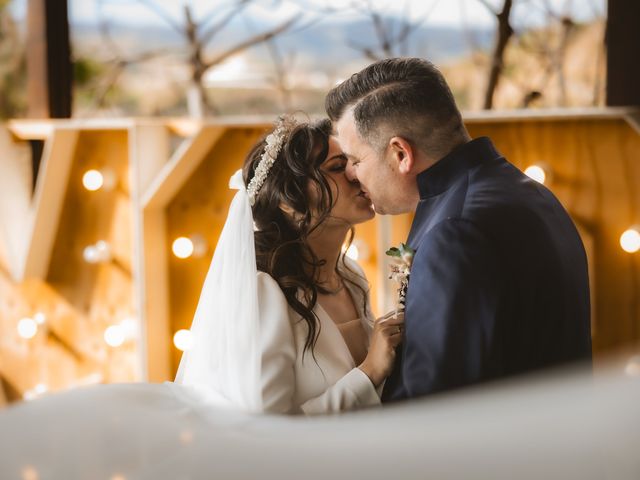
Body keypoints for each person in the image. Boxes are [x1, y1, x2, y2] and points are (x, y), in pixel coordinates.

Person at [325, 57, 592, 402]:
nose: (351, 175)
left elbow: (437, 403)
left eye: (356, 160)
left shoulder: (453, 232)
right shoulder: (529, 191)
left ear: (400, 154)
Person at [174, 116, 404, 414]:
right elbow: (271, 427)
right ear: (289, 202)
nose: (355, 174)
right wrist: (369, 372)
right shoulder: (264, 291)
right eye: (336, 167)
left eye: (351, 162)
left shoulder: (352, 276)